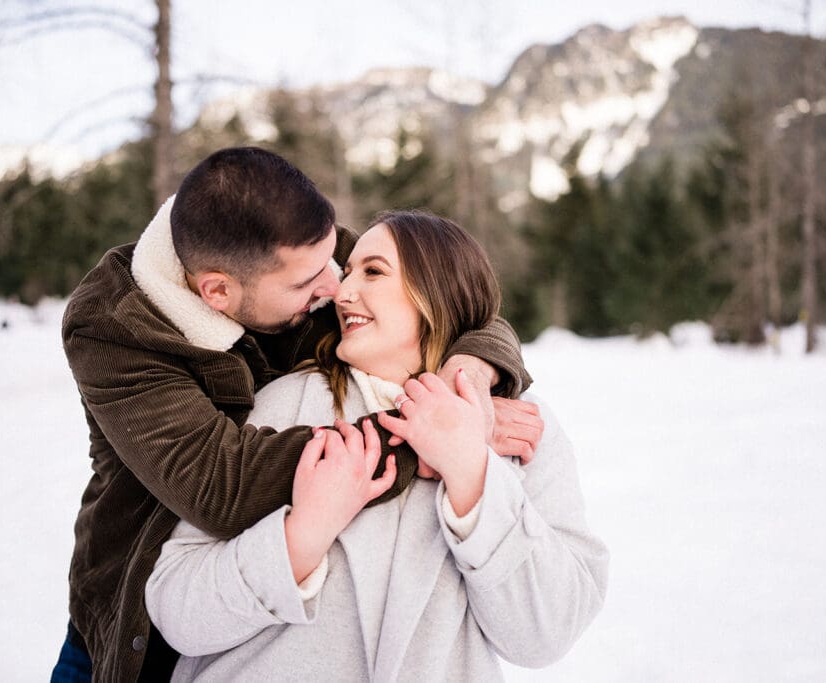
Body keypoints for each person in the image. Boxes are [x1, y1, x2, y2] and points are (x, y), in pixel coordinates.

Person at [55, 148, 540, 682]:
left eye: (341, 261)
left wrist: (467, 372)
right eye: (308, 283)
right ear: (218, 291)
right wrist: (428, 434)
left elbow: (455, 296)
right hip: (137, 623)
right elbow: (220, 483)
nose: (336, 288)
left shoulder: (302, 251)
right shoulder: (114, 325)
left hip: (265, 623)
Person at [146, 211, 608, 681]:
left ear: (439, 288)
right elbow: (178, 612)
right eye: (346, 273)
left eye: (373, 271)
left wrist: (472, 473)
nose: (341, 293)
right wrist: (302, 536)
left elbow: (546, 634)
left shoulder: (519, 427)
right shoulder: (282, 403)